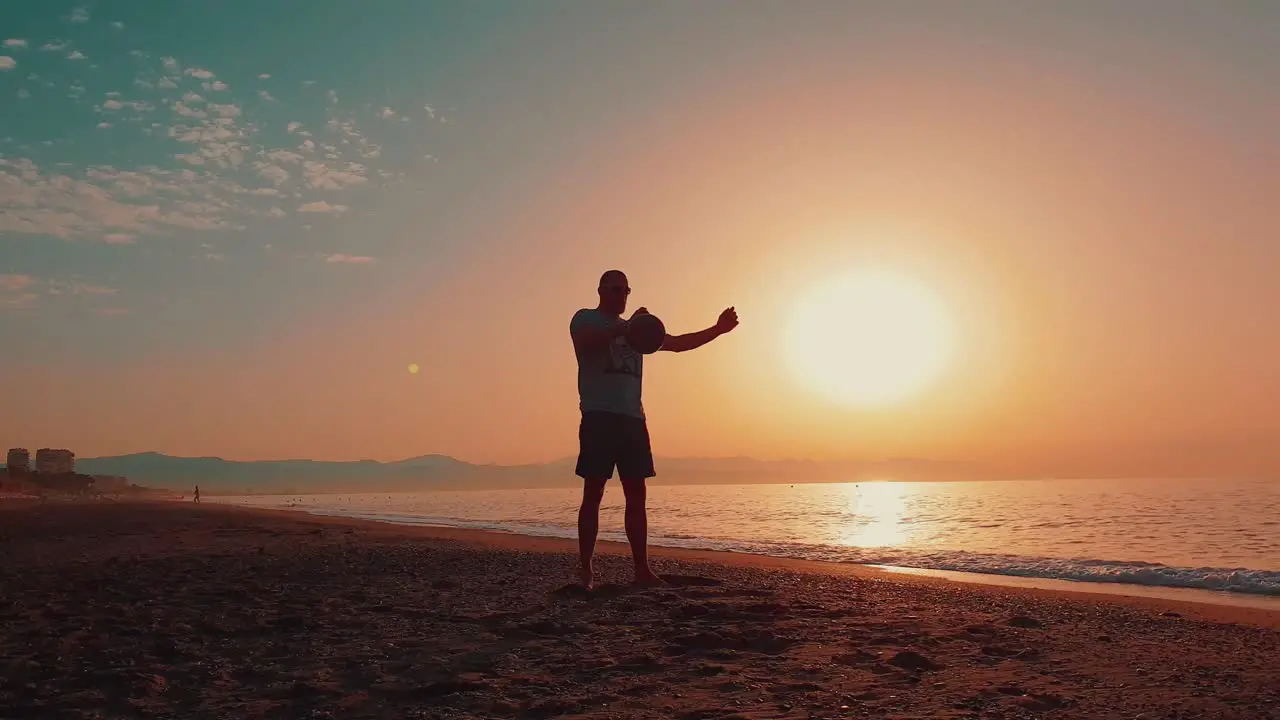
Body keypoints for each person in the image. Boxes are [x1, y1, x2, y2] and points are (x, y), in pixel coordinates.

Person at [569, 269, 739, 589]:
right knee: (593, 492)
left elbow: (676, 344)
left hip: (633, 420)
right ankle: (585, 569)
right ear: (601, 290)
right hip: (598, 417)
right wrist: (628, 326)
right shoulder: (586, 318)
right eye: (615, 289)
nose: (621, 295)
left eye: (626, 290)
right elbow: (586, 341)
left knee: (637, 495)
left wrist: (718, 330)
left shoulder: (637, 332)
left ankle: (642, 570)